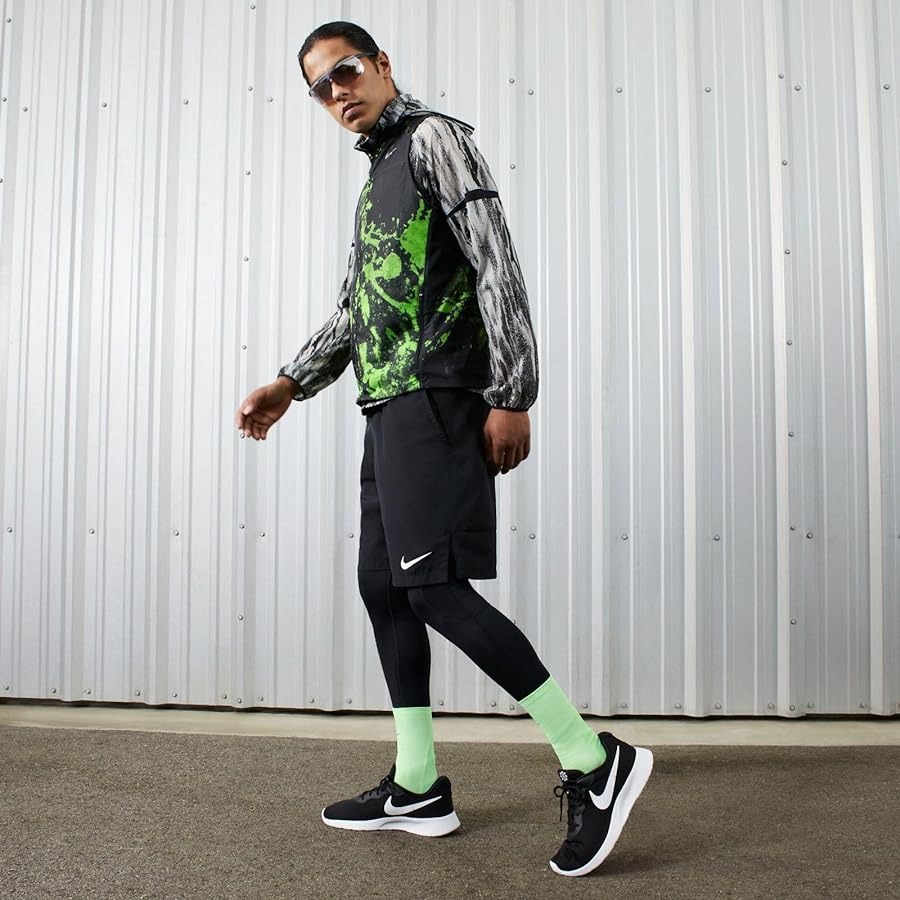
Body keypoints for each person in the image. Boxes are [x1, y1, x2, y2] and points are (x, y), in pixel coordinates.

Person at [235, 21, 652, 877]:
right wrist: (291, 380)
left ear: (381, 65)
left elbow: (496, 261)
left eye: (346, 71)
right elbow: (358, 307)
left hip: (439, 396)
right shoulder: (377, 175)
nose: (337, 93)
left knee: (433, 589)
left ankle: (593, 759)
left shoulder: (434, 140)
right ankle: (418, 784)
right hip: (386, 403)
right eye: (319, 87)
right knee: (385, 586)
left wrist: (512, 392)